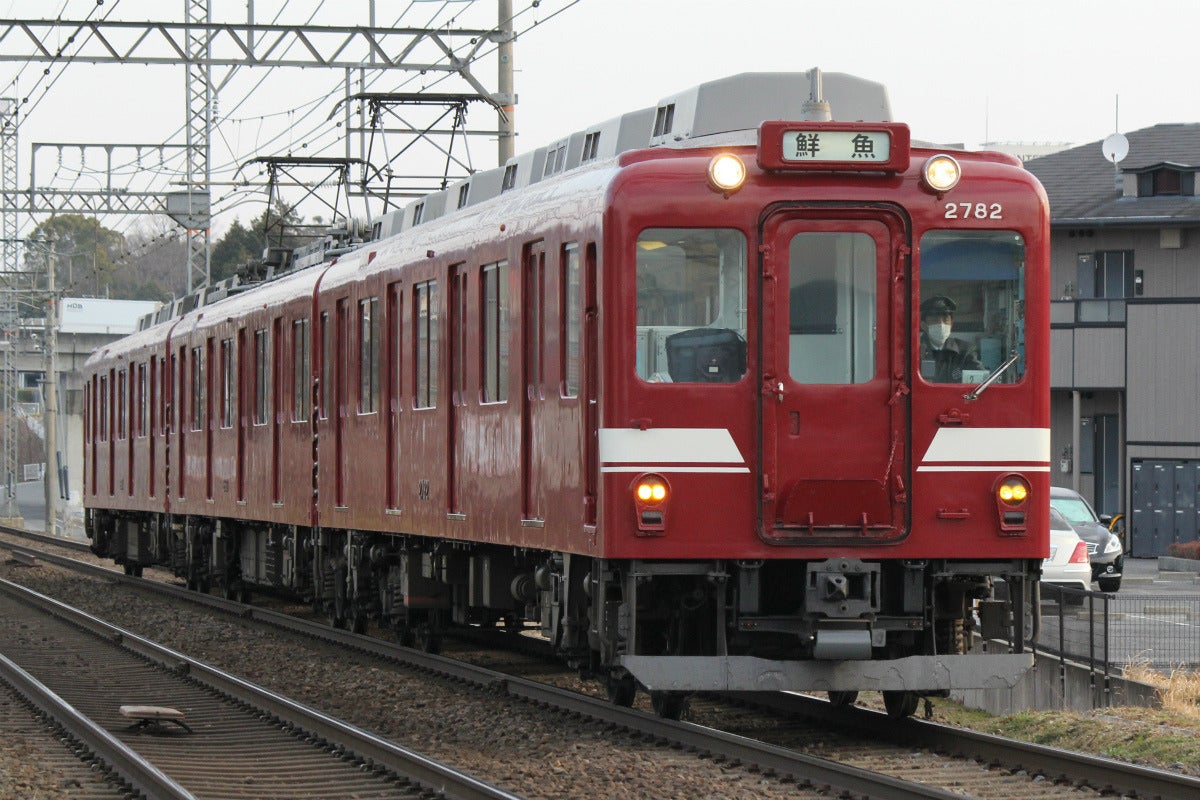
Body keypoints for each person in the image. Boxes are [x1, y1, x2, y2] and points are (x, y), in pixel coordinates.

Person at [919, 294, 983, 383]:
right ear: (924, 325)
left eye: (945, 320)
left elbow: (980, 380)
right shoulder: (914, 351)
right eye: (935, 320)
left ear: (951, 323)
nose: (941, 325)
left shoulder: (965, 350)